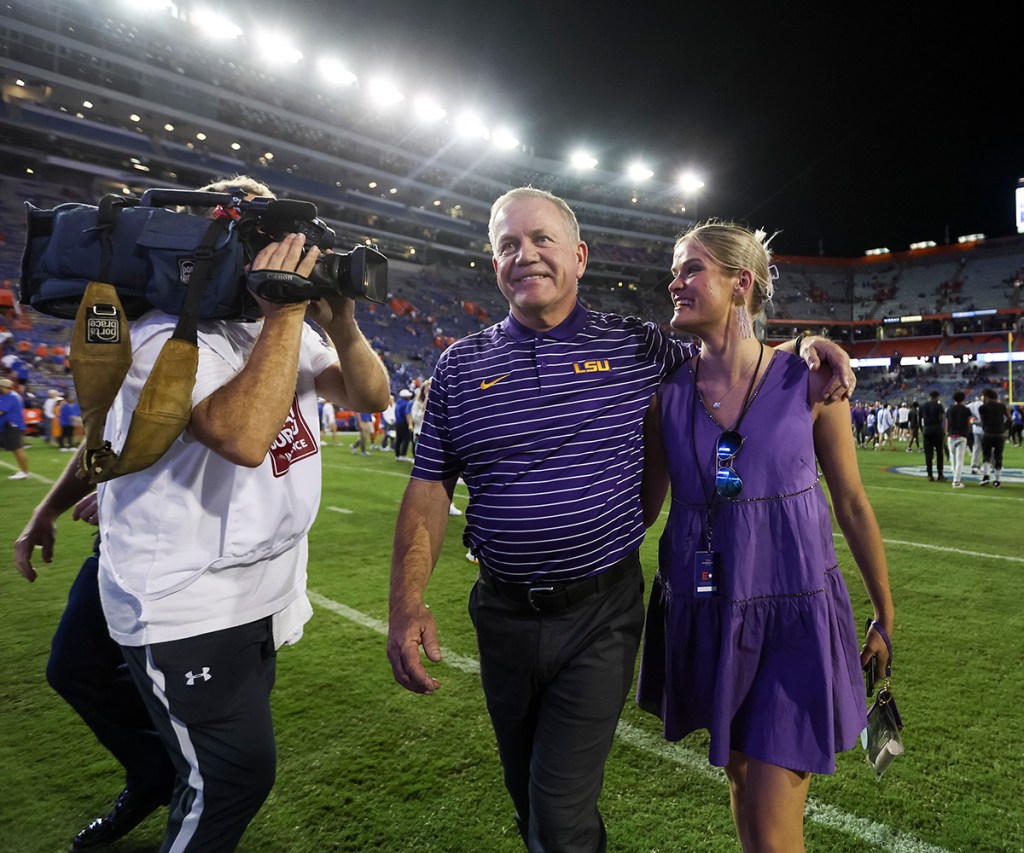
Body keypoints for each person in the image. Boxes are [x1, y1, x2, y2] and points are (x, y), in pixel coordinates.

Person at [386, 187, 855, 852]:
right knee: (531, 805)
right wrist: (405, 602)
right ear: (493, 264)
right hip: (503, 616)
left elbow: (736, 351)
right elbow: (429, 483)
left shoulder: (637, 347)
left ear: (578, 256)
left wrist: (810, 342)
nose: (526, 256)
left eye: (541, 240)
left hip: (599, 615)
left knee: (559, 809)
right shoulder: (461, 365)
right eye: (508, 245)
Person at [31, 176, 390, 850]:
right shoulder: (161, 332)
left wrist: (339, 319)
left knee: (222, 764)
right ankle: (159, 775)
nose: (289, 252)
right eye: (266, 237)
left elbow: (370, 396)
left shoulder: (272, 325)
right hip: (188, 597)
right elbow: (244, 437)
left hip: (254, 586)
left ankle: (155, 772)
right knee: (232, 778)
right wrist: (285, 312)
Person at [636, 220, 893, 853]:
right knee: (745, 786)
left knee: (774, 827)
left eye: (691, 269)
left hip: (794, 619)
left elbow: (853, 505)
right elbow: (640, 511)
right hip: (712, 613)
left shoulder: (809, 380)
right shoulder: (665, 396)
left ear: (741, 283)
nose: (675, 283)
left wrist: (885, 612)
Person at [15, 479, 177, 850]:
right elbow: (101, 437)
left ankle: (203, 754)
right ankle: (158, 768)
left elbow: (228, 447)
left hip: (184, 557)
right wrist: (48, 508)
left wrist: (143, 499)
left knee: (182, 675)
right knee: (72, 668)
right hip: (118, 547)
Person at [977, 388, 1009, 488]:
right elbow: (1010, 418)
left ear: (986, 396)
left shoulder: (983, 407)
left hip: (988, 434)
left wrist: (986, 428)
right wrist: (1004, 429)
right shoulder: (1002, 406)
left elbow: (982, 422)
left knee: (986, 456)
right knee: (998, 457)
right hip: (999, 435)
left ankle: (986, 476)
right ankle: (997, 481)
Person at [0, 376, 30, 479]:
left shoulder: (11, 396)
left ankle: (24, 472)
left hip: (12, 426)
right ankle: (24, 472)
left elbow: (1, 411)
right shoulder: (6, 396)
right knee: (16, 449)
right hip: (6, 426)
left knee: (17, 449)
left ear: (5, 387)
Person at [945, 390, 971, 488]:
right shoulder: (966, 409)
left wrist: (947, 432)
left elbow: (947, 422)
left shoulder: (949, 409)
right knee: (959, 460)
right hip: (961, 435)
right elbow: (968, 423)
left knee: (954, 459)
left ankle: (955, 478)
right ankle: (956, 481)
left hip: (951, 435)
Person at [920, 390, 946, 481]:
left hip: (927, 430)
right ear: (937, 397)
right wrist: (944, 430)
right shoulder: (939, 406)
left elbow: (920, 419)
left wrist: (922, 429)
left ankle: (930, 475)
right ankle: (940, 474)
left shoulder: (923, 406)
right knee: (939, 453)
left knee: (928, 454)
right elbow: (942, 418)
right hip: (937, 430)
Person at [393, 387, 414, 460]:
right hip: (403, 423)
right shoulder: (406, 404)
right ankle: (403, 455)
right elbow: (406, 414)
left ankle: (397, 455)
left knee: (398, 439)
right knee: (406, 438)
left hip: (397, 422)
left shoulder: (398, 402)